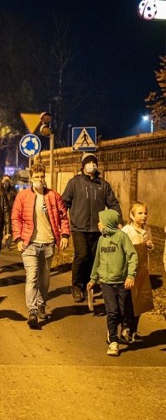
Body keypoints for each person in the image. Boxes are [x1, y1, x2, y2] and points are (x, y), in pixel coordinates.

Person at [10, 162, 70, 329]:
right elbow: (16, 218)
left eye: (42, 177)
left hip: (48, 242)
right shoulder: (22, 197)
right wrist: (18, 239)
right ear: (31, 179)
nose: (39, 180)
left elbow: (64, 217)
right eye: (36, 177)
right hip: (30, 243)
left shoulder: (53, 196)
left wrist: (64, 235)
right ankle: (32, 311)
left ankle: (42, 303)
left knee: (44, 278)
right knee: (32, 277)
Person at [62, 152, 121, 303]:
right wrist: (63, 224)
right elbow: (64, 203)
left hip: (97, 229)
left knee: (94, 258)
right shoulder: (74, 183)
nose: (92, 165)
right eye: (88, 162)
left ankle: (88, 284)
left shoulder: (103, 185)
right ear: (83, 165)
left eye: (94, 163)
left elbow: (113, 203)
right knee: (81, 255)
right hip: (79, 227)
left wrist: (116, 220)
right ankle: (76, 285)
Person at [87, 210, 137, 356]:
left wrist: (130, 276)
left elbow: (132, 255)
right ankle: (113, 342)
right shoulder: (101, 239)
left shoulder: (122, 237)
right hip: (106, 282)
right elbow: (97, 261)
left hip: (122, 282)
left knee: (121, 311)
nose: (98, 224)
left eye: (100, 221)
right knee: (112, 311)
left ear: (108, 222)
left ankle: (113, 328)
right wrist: (93, 279)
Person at [121, 201, 154, 342]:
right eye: (140, 213)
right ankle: (125, 327)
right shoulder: (126, 231)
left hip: (142, 269)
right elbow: (121, 249)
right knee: (129, 300)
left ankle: (134, 330)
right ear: (132, 215)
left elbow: (150, 247)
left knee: (140, 299)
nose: (144, 216)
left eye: (145, 213)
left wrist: (149, 245)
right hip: (129, 271)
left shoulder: (147, 230)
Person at [1, 175, 18, 249]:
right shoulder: (0, 189)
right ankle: (1, 242)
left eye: (7, 180)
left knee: (9, 228)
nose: (6, 182)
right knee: (1, 227)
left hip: (10, 211)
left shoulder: (13, 190)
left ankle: (8, 243)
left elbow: (16, 200)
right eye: (5, 180)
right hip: (1, 211)